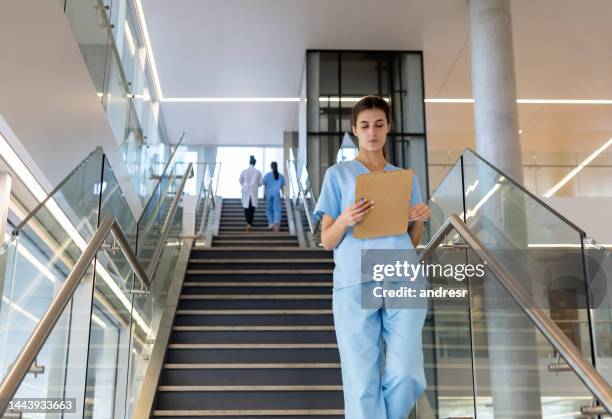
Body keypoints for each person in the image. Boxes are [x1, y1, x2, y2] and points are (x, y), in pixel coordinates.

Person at [312, 96, 431, 419]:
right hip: (354, 280)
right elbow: (326, 240)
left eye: (379, 124)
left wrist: (418, 218)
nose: (372, 132)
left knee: (406, 372)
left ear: (388, 127)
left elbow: (412, 240)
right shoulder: (337, 175)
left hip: (402, 277)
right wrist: (345, 219)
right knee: (361, 381)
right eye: (364, 126)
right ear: (354, 131)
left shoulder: (406, 178)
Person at [239, 155, 263, 231]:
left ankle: (248, 223)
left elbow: (240, 180)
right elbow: (261, 183)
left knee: (246, 206)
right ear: (255, 163)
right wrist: (256, 186)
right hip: (253, 190)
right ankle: (249, 223)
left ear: (249, 162)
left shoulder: (244, 171)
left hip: (245, 190)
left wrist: (245, 185)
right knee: (252, 207)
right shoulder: (258, 172)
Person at [262, 162, 286, 231]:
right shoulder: (280, 176)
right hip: (276, 194)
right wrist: (283, 195)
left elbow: (265, 185)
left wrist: (264, 194)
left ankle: (270, 223)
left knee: (269, 209)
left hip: (268, 194)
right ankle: (276, 222)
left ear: (271, 167)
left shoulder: (267, 175)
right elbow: (282, 187)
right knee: (277, 209)